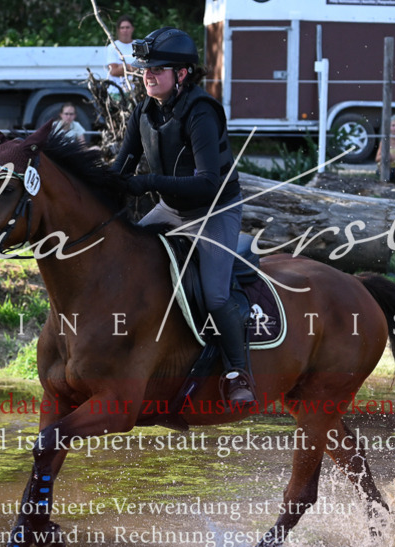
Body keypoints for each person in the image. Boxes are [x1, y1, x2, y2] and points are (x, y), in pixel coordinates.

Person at [112, 27, 255, 406]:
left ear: (182, 74)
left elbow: (208, 183)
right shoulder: (143, 109)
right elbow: (119, 169)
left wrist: (147, 182)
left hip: (214, 210)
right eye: (146, 68)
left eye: (158, 69)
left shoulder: (201, 111)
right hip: (171, 209)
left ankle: (238, 372)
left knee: (215, 294)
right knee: (120, 264)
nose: (148, 75)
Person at [106, 14, 135, 98]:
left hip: (136, 91)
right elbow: (113, 71)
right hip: (116, 92)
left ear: (132, 29)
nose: (125, 30)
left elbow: (142, 69)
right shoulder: (112, 47)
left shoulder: (137, 45)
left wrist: (123, 66)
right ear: (118, 30)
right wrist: (132, 67)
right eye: (122, 28)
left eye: (127, 27)